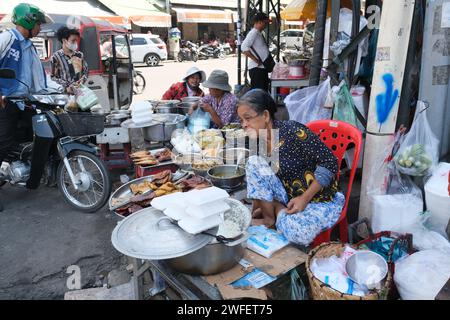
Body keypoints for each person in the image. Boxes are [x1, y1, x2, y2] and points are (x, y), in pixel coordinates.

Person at [237, 89, 345, 246]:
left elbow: (330, 162)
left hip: (317, 198)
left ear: (265, 116)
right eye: (241, 120)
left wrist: (304, 198)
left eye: (247, 119)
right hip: (286, 194)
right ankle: (270, 219)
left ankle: (276, 210)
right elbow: (261, 179)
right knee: (253, 163)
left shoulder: (294, 131)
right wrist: (257, 204)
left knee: (299, 233)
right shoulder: (256, 141)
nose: (244, 125)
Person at [0, 3, 51, 189]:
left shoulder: (30, 47)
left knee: (36, 136)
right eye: (39, 24)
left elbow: (39, 80)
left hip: (22, 102)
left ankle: (24, 172)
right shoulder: (7, 39)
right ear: (28, 21)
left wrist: (62, 90)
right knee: (3, 142)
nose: (40, 28)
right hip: (4, 102)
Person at [51, 26, 88, 94]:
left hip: (79, 93)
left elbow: (85, 72)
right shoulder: (56, 57)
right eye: (73, 41)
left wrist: (81, 82)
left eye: (76, 41)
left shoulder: (79, 55)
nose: (75, 43)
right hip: (64, 94)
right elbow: (53, 77)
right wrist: (67, 86)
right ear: (64, 40)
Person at [241, 12, 271, 92]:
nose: (266, 25)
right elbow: (243, 47)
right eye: (265, 23)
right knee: (258, 94)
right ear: (259, 22)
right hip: (257, 69)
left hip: (261, 68)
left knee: (262, 92)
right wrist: (255, 60)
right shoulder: (253, 33)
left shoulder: (258, 33)